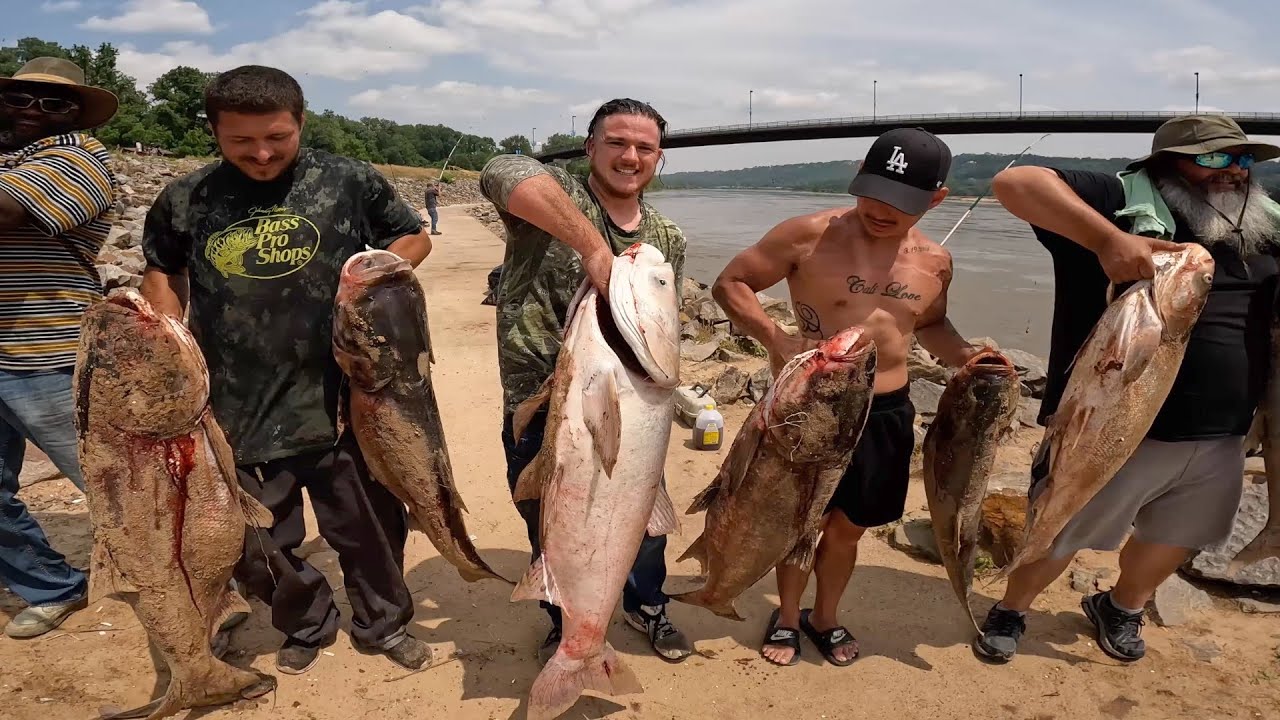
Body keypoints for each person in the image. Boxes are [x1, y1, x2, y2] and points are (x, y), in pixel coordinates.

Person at [139, 64, 433, 675]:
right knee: (259, 545)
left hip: (344, 400)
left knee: (370, 531)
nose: (263, 153)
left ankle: (383, 625)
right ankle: (306, 622)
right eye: (240, 141)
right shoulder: (186, 198)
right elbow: (163, 269)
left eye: (278, 136)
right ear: (214, 131)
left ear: (301, 122)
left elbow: (412, 237)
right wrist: (163, 338)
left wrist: (375, 276)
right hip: (233, 405)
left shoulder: (347, 180)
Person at [972, 114, 1280, 664]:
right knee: (1058, 526)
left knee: (1177, 536)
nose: (1234, 171)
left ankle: (1122, 606)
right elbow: (1015, 183)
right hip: (1108, 427)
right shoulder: (1115, 201)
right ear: (1167, 168)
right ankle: (1014, 608)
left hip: (1222, 433)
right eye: (1214, 159)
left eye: (1243, 159)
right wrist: (1109, 240)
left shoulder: (1264, 226)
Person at [713, 128, 977, 667]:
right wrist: (778, 340)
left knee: (849, 527)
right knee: (798, 520)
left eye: (902, 202)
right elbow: (731, 283)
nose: (882, 210)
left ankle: (825, 616)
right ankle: (787, 616)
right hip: (811, 407)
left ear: (937, 199)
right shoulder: (806, 235)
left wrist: (969, 358)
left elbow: (931, 324)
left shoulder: (936, 261)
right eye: (874, 192)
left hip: (885, 411)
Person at [480, 98, 693, 665]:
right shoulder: (558, 198)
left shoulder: (666, 237)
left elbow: (666, 327)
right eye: (616, 143)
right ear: (590, 147)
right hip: (536, 402)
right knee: (549, 517)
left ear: (659, 158)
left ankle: (646, 605)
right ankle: (566, 617)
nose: (630, 156)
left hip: (632, 403)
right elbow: (503, 170)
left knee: (643, 521)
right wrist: (594, 247)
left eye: (644, 148)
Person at [0, 57, 120, 639]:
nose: (32, 110)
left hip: (49, 354)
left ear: (75, 114)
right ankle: (50, 586)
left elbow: (6, 211)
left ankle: (206, 584)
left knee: (118, 487)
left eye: (52, 103)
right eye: (20, 98)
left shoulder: (81, 161)